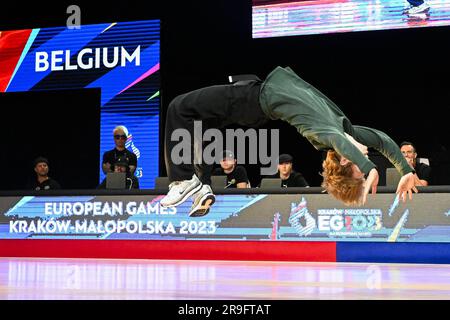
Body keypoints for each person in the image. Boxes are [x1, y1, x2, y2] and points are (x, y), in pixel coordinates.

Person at [160, 66, 420, 217]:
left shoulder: (322, 135)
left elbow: (339, 143)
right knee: (199, 128)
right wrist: (406, 171)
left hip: (251, 100)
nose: (366, 159)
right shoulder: (346, 128)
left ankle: (183, 181)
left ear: (344, 158)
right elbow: (383, 141)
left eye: (357, 170)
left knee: (179, 108)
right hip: (254, 103)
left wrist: (369, 169)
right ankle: (202, 184)